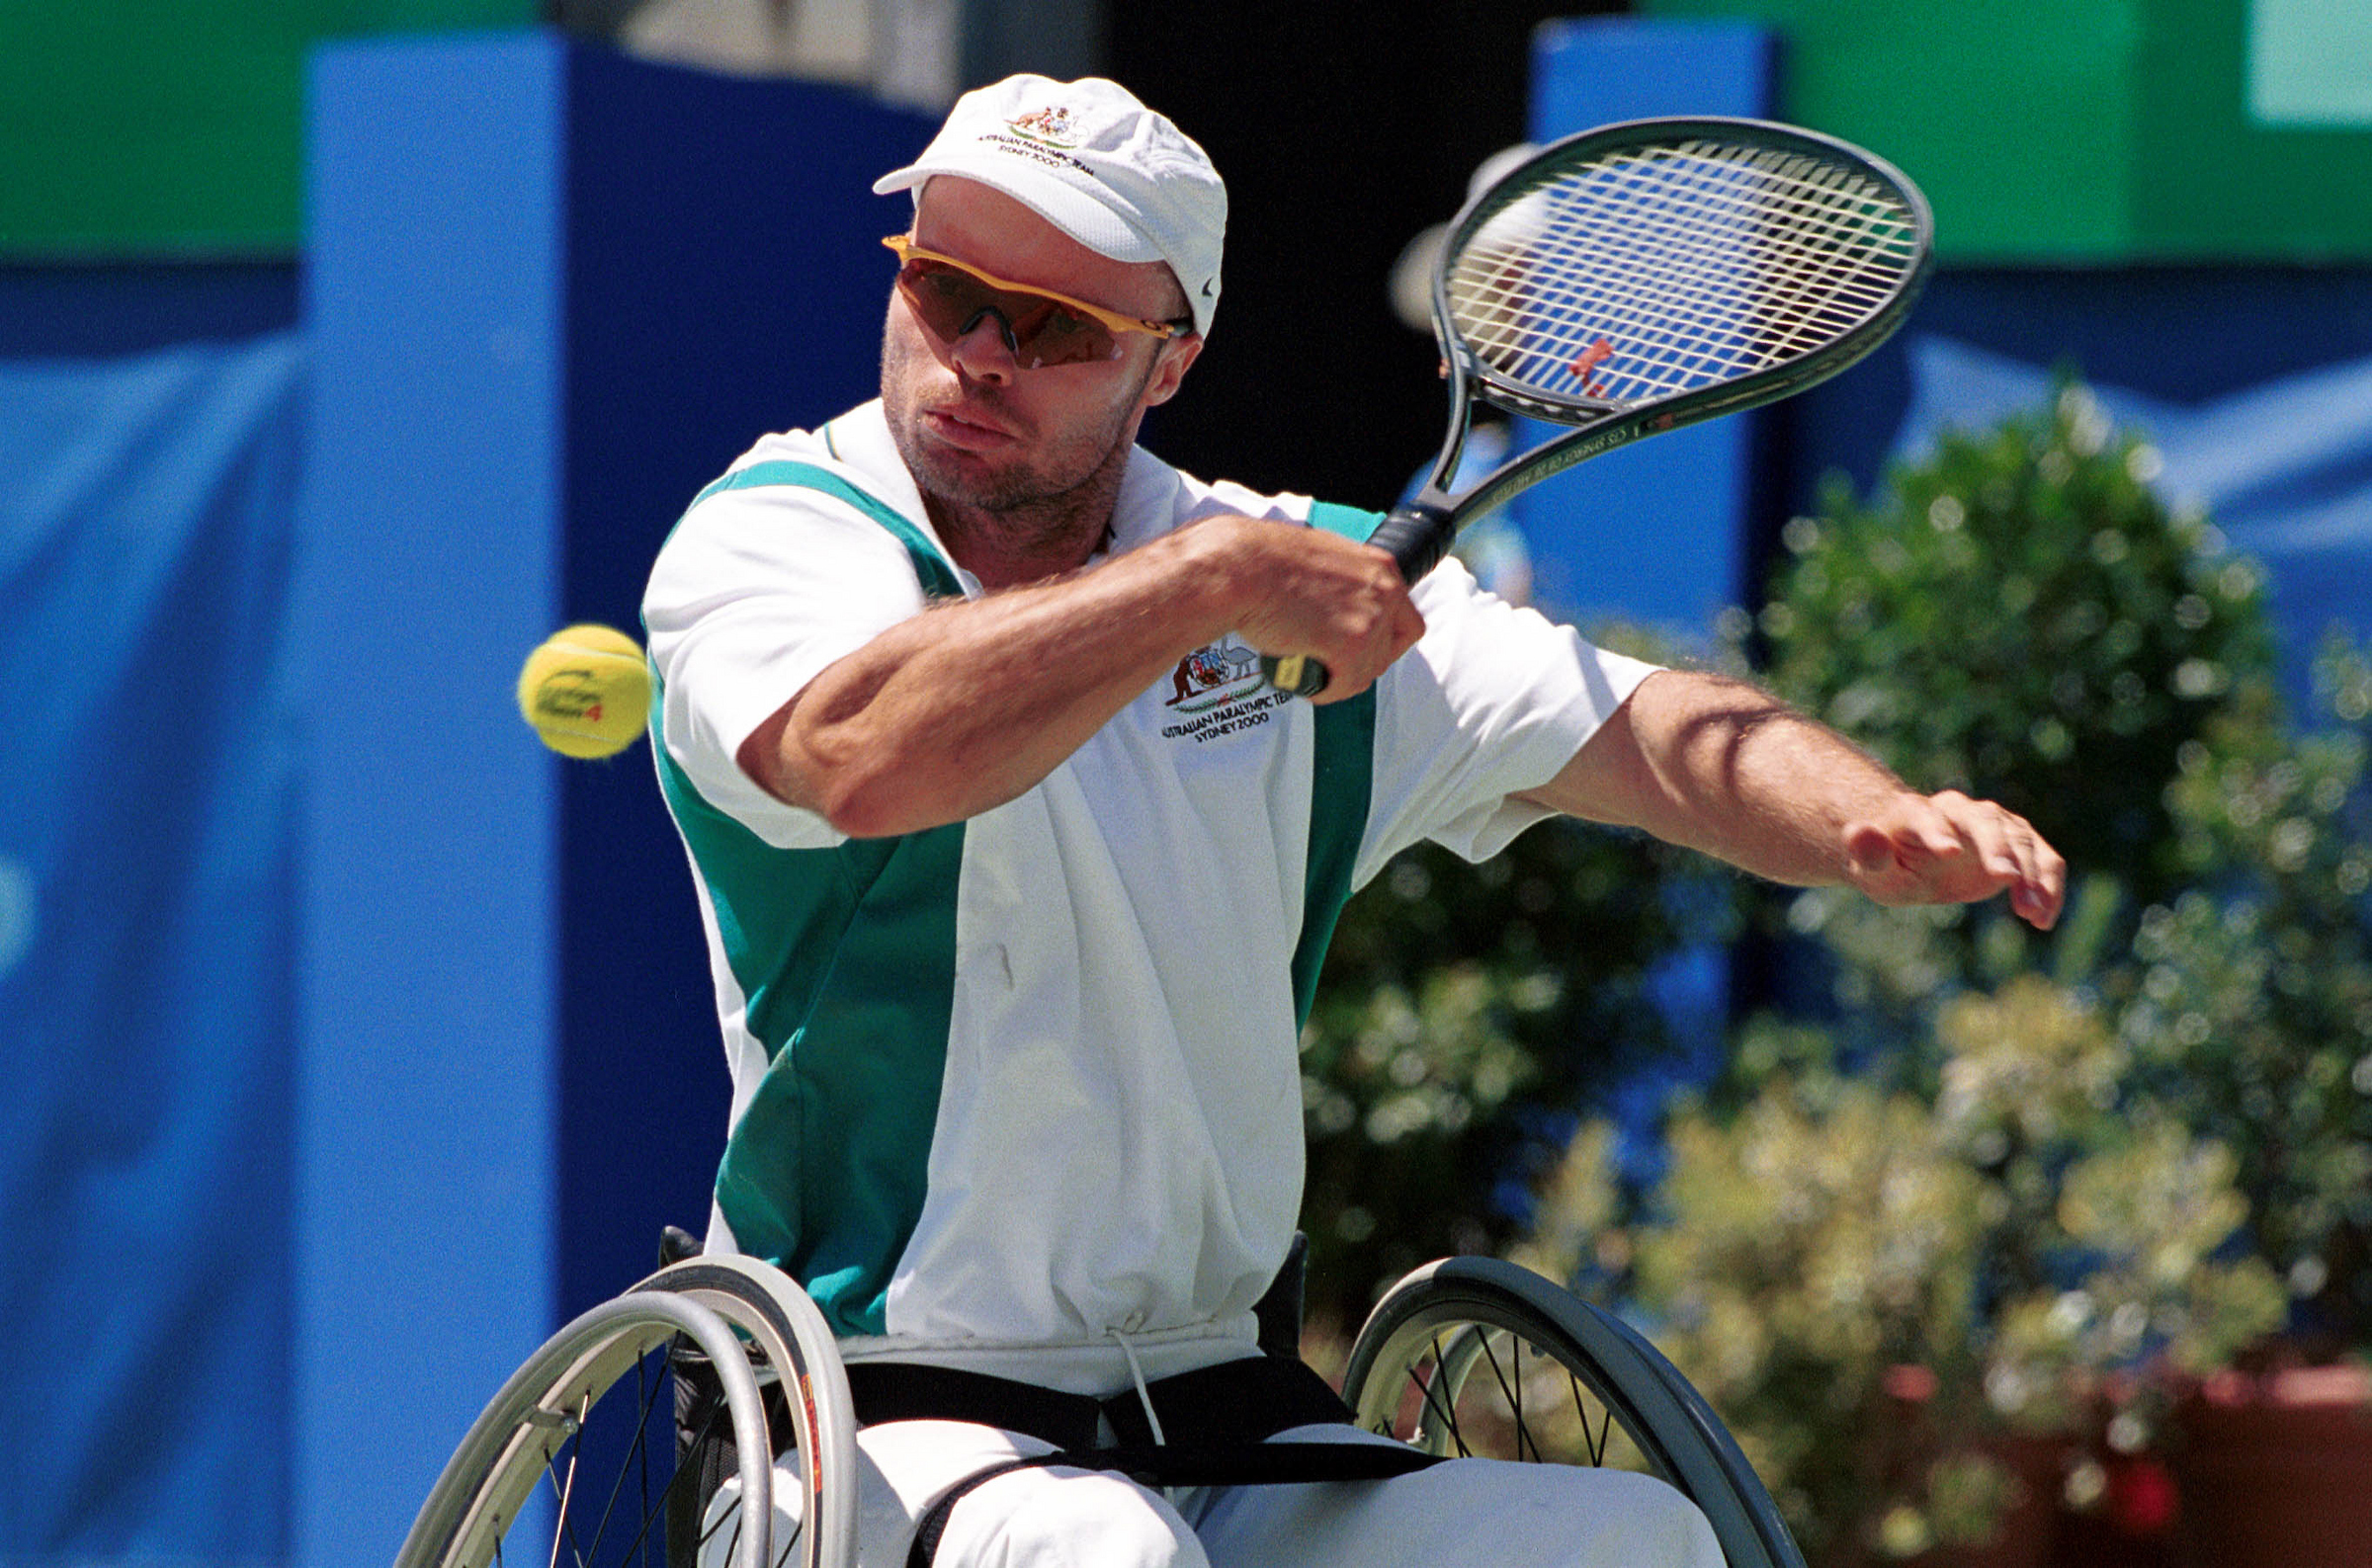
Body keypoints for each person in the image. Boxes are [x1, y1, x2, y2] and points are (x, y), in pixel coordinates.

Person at [643, 73, 2066, 1568]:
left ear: (1169, 364)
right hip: (864, 1407)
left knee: (1622, 1543)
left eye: (1056, 327)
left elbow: (1651, 729)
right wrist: (1201, 588)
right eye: (947, 290)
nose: (981, 354)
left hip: (1216, 1408)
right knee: (1108, 1561)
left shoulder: (1294, 582)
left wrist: (1873, 821)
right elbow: (861, 754)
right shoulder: (784, 533)